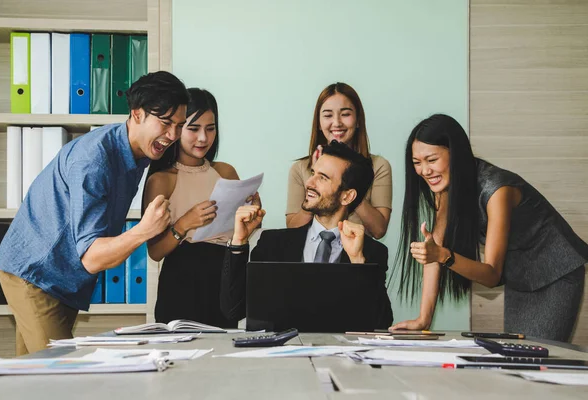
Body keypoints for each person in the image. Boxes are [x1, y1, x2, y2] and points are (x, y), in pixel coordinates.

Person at [0, 71, 189, 355]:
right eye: (165, 123)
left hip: (65, 278)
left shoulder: (140, 152)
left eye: (180, 125)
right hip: (36, 271)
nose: (173, 135)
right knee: (62, 373)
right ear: (137, 114)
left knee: (33, 377)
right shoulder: (94, 160)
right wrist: (144, 230)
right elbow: (91, 257)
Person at [391, 114, 588, 342]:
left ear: (456, 154)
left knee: (537, 356)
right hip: (521, 275)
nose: (425, 171)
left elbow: (491, 274)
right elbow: (434, 248)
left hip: (556, 270)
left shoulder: (497, 189)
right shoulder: (446, 190)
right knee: (516, 355)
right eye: (417, 163)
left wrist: (444, 255)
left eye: (432, 160)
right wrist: (423, 319)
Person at [221, 140, 393, 328]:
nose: (309, 183)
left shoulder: (372, 253)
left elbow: (380, 323)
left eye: (323, 177)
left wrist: (358, 262)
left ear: (347, 196)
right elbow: (232, 310)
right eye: (313, 173)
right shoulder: (273, 243)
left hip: (339, 355)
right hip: (282, 355)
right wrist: (239, 242)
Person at [143, 88, 252, 327]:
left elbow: (236, 237)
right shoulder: (162, 180)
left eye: (210, 128)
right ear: (178, 128)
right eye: (193, 129)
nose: (203, 138)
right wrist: (184, 224)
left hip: (224, 278)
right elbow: (155, 251)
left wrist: (249, 224)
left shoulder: (225, 172)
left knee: (224, 356)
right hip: (182, 282)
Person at [285, 82, 392, 239]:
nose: (336, 123)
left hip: (358, 256)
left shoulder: (378, 166)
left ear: (358, 120)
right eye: (328, 115)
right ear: (319, 124)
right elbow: (293, 228)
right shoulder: (300, 168)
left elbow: (379, 230)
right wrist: (318, 178)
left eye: (346, 114)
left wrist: (350, 184)